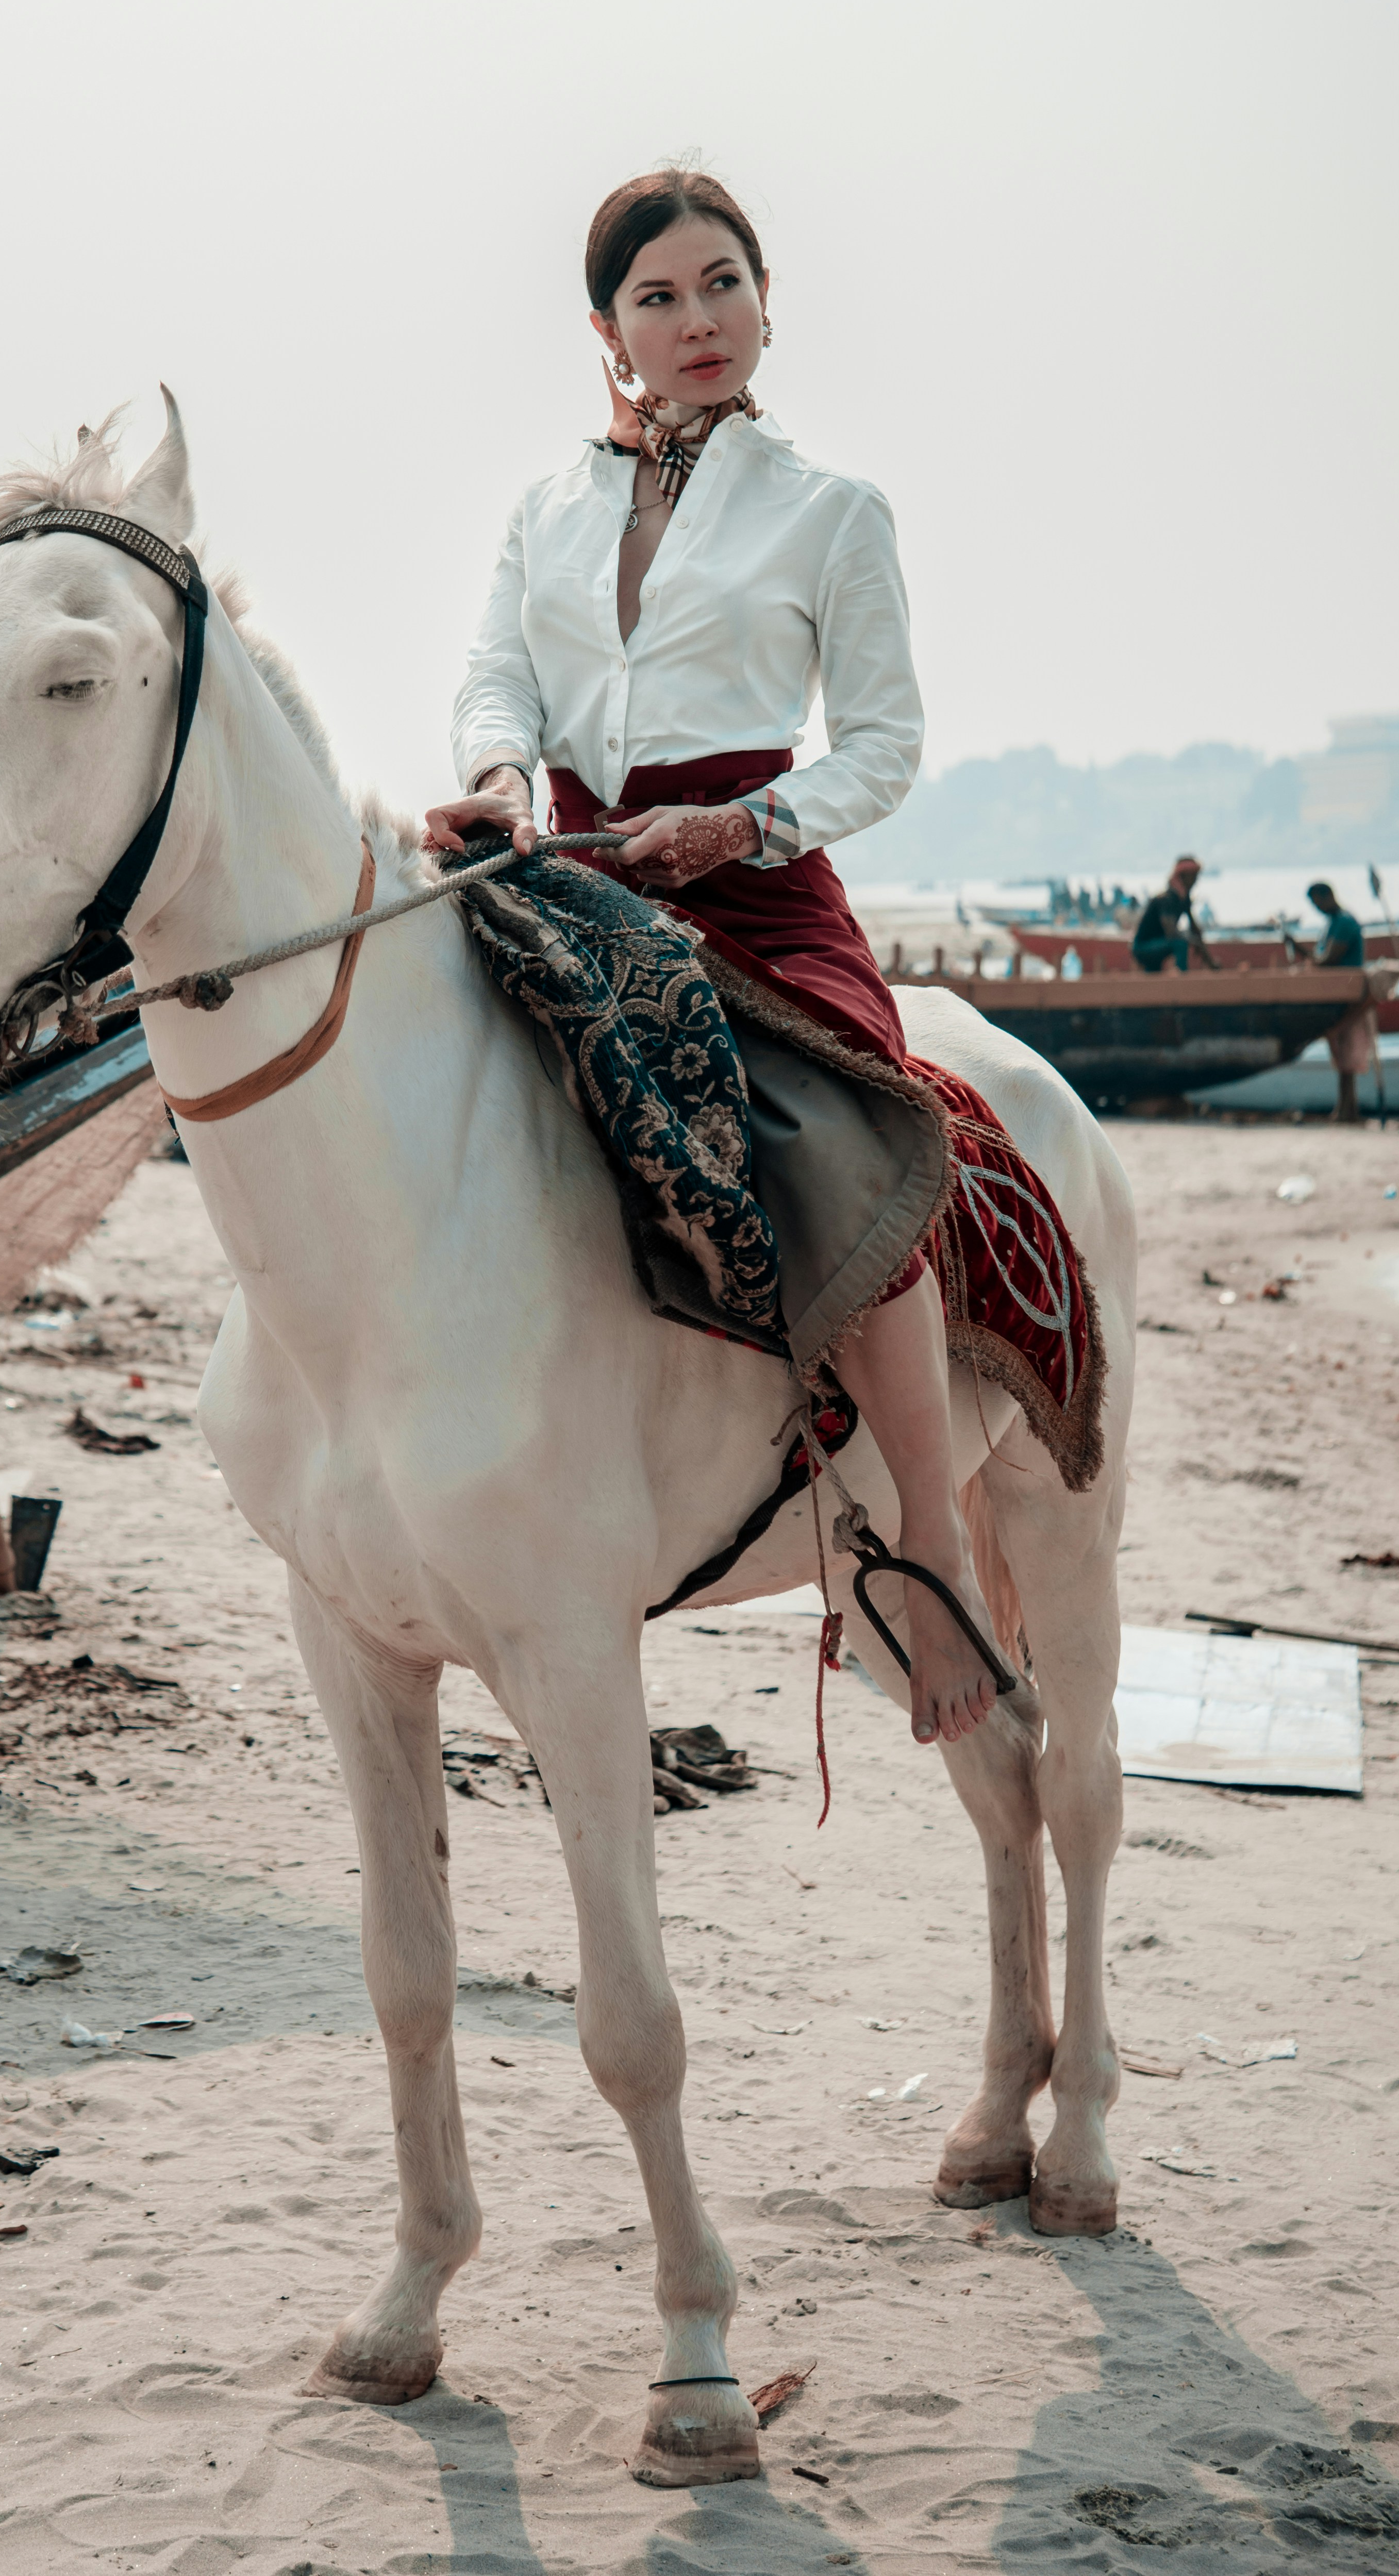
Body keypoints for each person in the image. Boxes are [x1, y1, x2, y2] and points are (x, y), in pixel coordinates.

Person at [424, 166, 997, 1751]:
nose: (698, 319)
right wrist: (503, 782)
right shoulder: (542, 510)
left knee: (856, 1133)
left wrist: (741, 825)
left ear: (766, 301)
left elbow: (881, 745)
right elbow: (493, 679)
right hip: (569, 868)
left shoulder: (831, 510)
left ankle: (929, 1547)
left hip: (758, 891)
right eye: (659, 296)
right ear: (605, 330)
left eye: (723, 283)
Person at [1307, 879, 1373, 1125]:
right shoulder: (1333, 923)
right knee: (1342, 1056)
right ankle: (1345, 1109)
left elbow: (1329, 959)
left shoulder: (1344, 922)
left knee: (1348, 1055)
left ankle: (1348, 1110)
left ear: (1328, 896)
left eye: (1318, 903)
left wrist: (1307, 956)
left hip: (1350, 998)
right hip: (1339, 997)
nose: (1318, 909)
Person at [1129, 858, 1219, 974]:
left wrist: (1210, 962)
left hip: (1159, 944)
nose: (1196, 881)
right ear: (1182, 877)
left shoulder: (1184, 899)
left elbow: (1195, 930)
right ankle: (1182, 979)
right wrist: (1192, 940)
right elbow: (1171, 932)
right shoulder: (1167, 899)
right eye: (1193, 877)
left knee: (1153, 977)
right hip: (1143, 947)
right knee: (1180, 944)